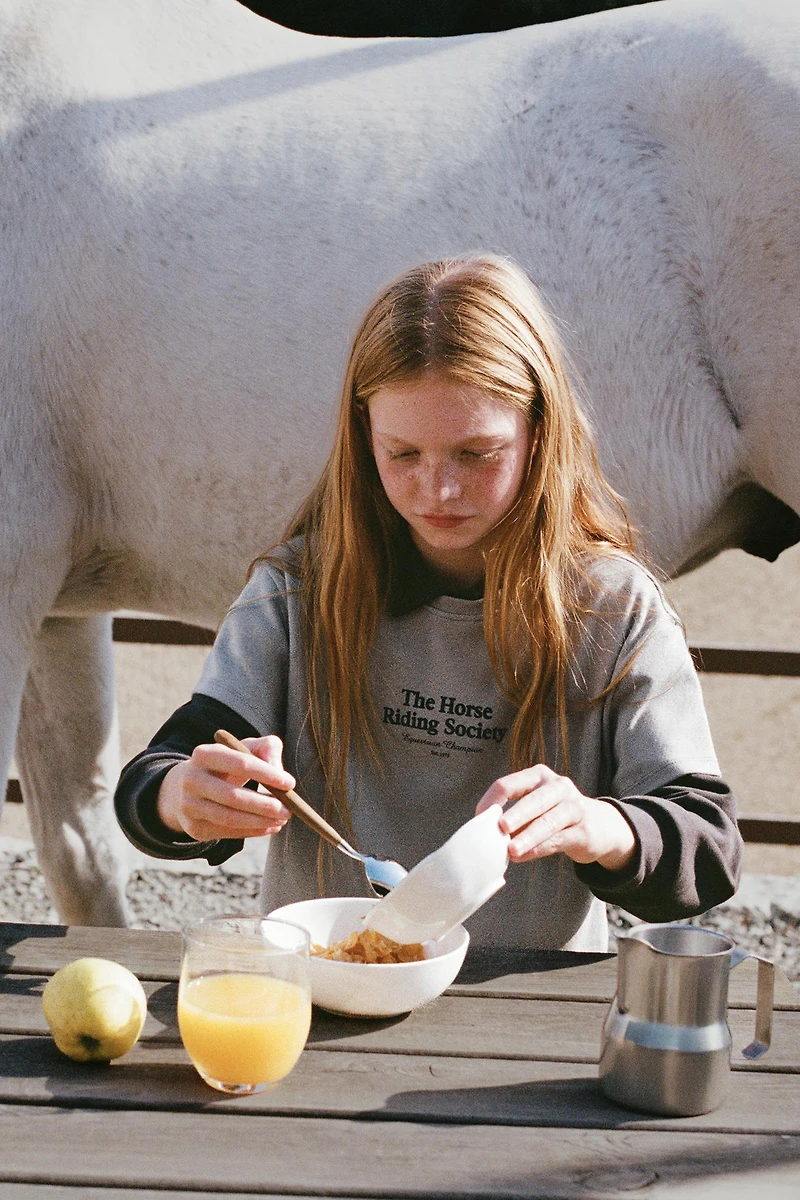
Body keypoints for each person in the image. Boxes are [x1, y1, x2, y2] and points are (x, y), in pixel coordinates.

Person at [115, 254, 742, 950]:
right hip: (324, 984)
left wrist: (600, 826)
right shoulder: (299, 591)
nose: (438, 491)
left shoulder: (612, 607)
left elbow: (708, 849)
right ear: (362, 438)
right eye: (404, 454)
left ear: (540, 432)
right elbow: (155, 779)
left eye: (476, 453)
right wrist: (184, 799)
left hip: (526, 1011)